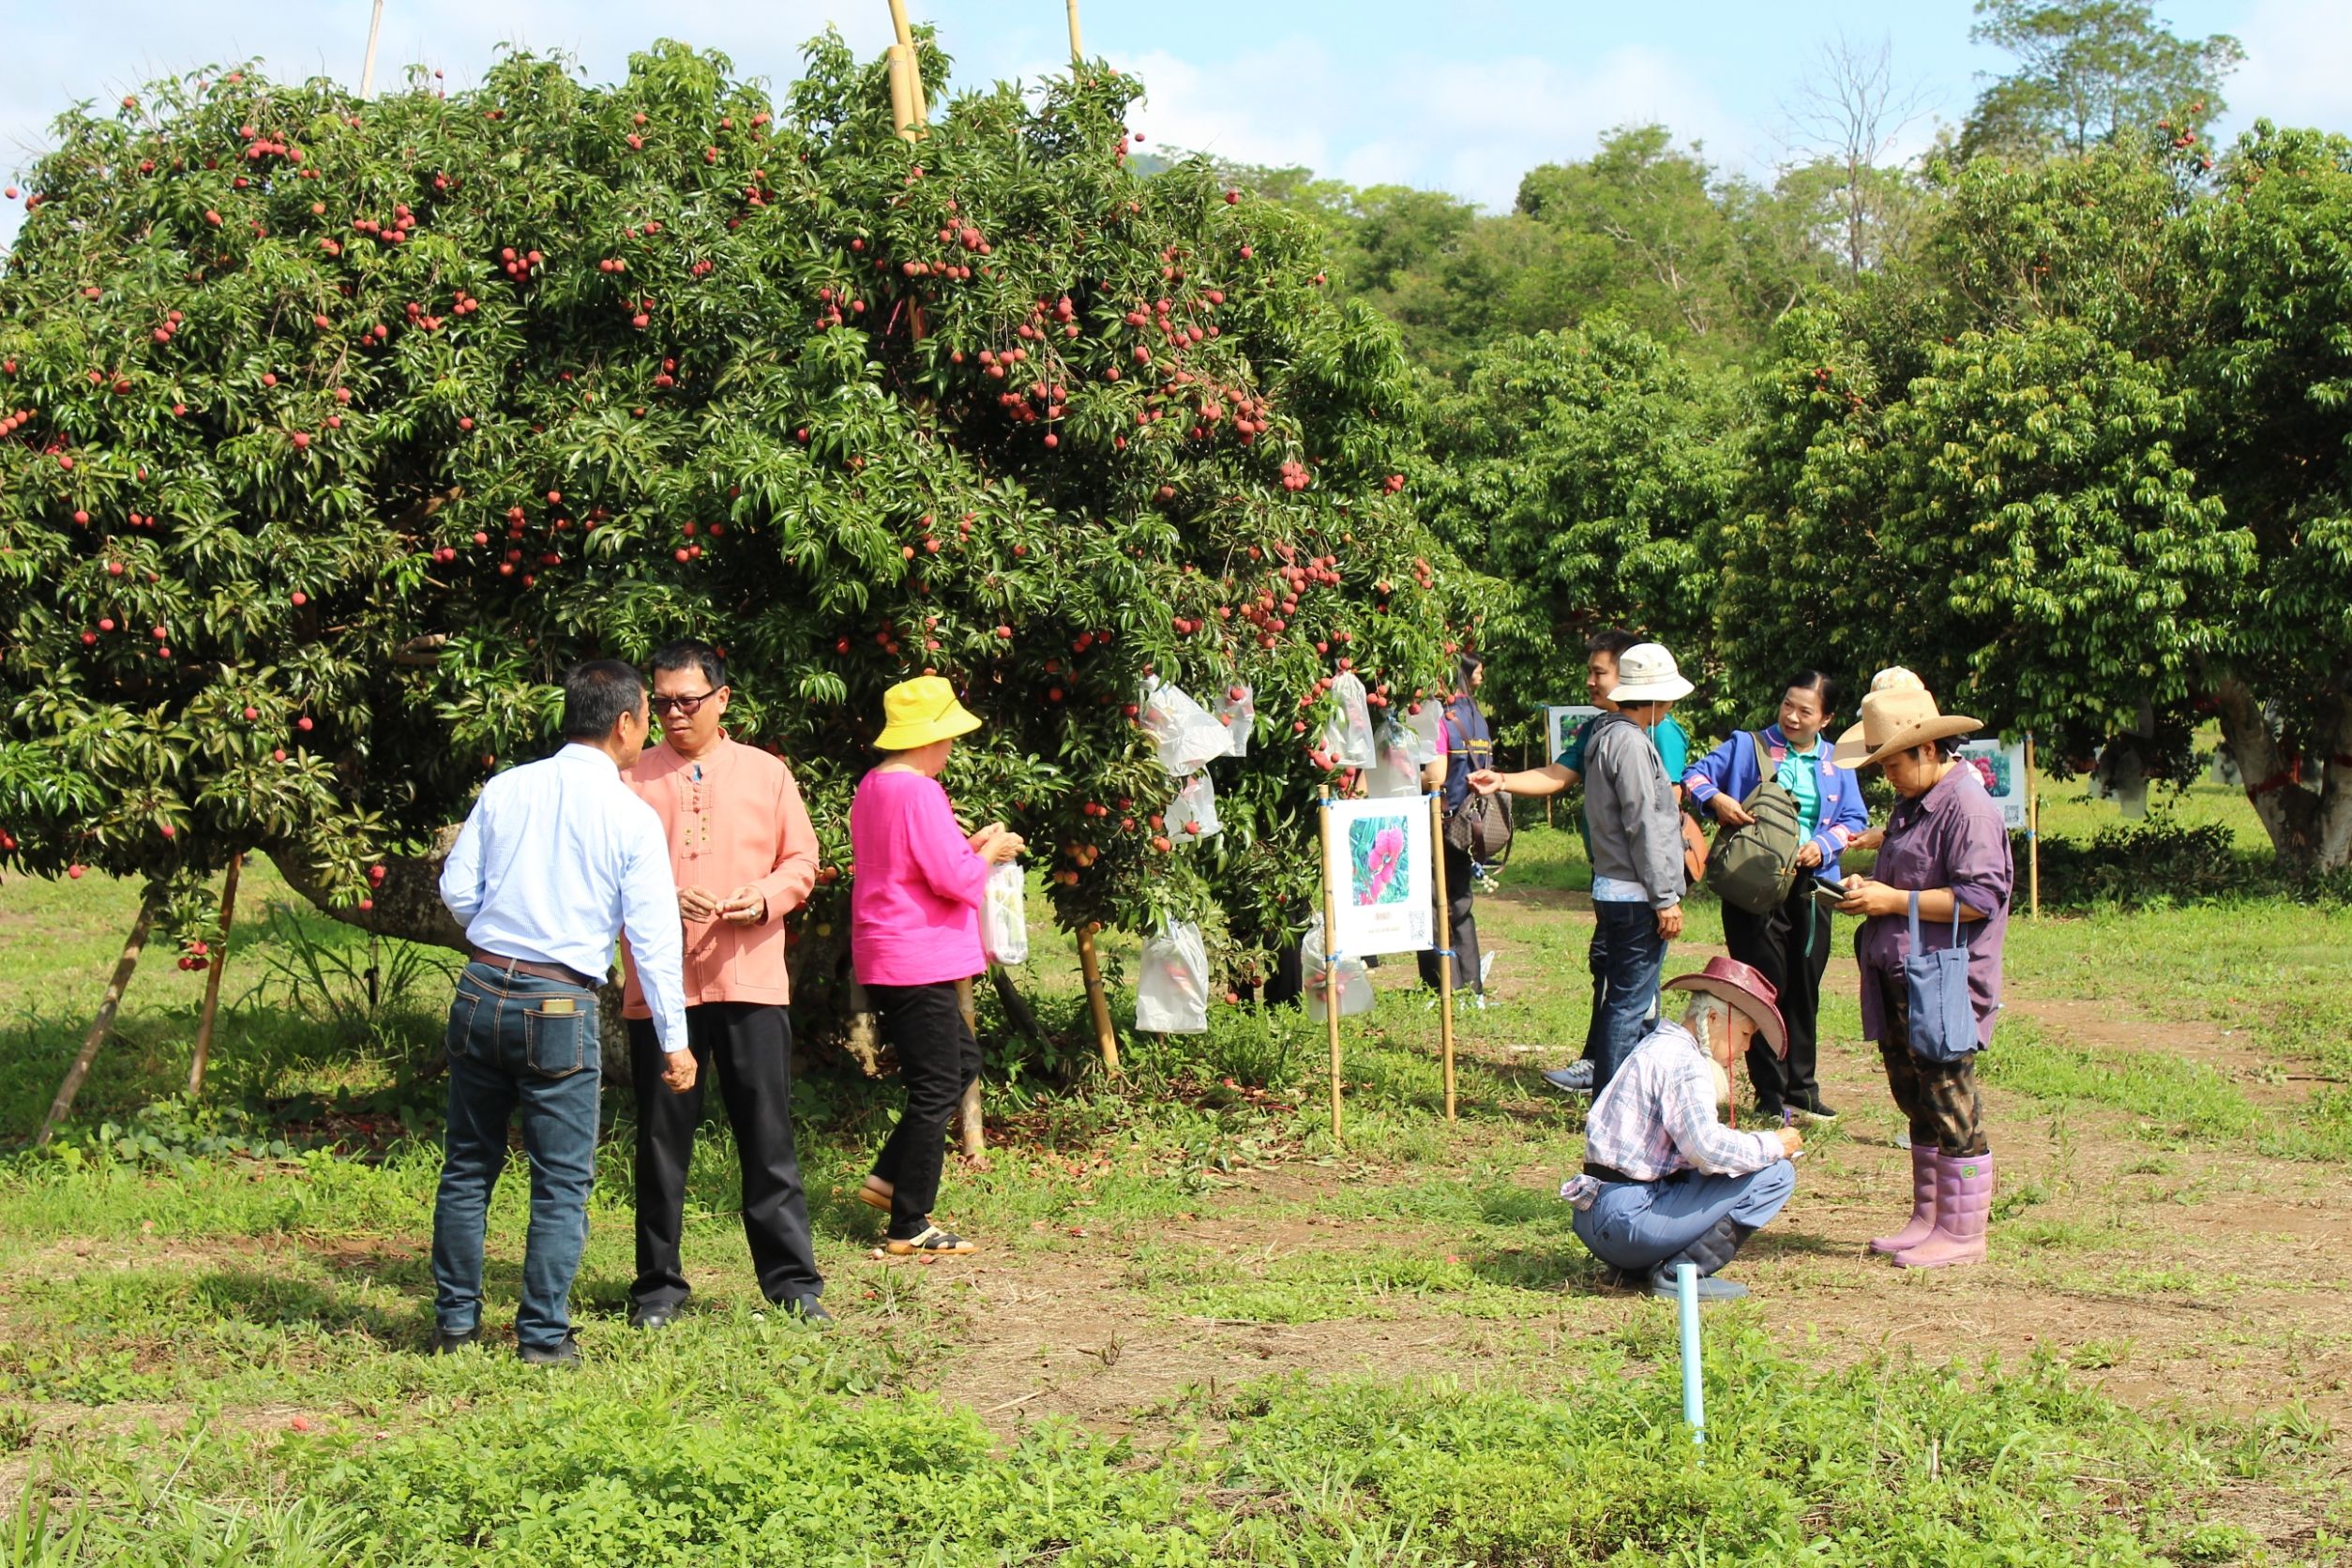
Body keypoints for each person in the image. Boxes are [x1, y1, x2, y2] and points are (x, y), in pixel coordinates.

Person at [431, 660, 693, 1364]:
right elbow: (653, 940)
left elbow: (457, 889)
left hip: (481, 987)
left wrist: (502, 933)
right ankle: (543, 1337)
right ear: (625, 723)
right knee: (560, 1182)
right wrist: (675, 1040)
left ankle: (455, 1327)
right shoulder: (630, 816)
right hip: (557, 1002)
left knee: (467, 1166)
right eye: (647, 718)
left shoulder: (506, 787)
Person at [619, 641, 826, 1330]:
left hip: (751, 980)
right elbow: (603, 872)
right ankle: (657, 1288)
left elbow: (802, 859)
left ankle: (792, 1284)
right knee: (660, 1142)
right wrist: (660, 897)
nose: (674, 714)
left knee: (767, 1137)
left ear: (722, 699)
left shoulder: (767, 773)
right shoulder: (630, 779)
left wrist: (763, 897)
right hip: (661, 988)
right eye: (662, 703)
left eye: (688, 700)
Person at [1833, 671, 2013, 1270]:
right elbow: (1910, 878)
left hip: (1943, 979)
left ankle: (1962, 1233)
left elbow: (1979, 897)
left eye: (1892, 764)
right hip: (1902, 972)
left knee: (1949, 1095)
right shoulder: (1913, 803)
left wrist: (1891, 900)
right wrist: (1870, 890)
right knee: (1916, 1098)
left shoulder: (1968, 808)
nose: (1886, 775)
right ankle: (1929, 1218)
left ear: (1929, 749)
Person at [1470, 628, 1691, 1092]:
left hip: (1619, 880)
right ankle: (1615, 1101)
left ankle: (1623, 1086)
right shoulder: (1622, 736)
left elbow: (1656, 810)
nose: (1591, 681)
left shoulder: (1634, 733)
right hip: (1633, 885)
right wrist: (1665, 895)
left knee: (1626, 992)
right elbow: (1645, 821)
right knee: (1627, 997)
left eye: (1599, 672)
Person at [850, 676, 1024, 1255]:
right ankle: (910, 1222)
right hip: (916, 954)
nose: (951, 749)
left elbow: (917, 862)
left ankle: (887, 1179)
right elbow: (952, 879)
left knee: (961, 1061)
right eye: (948, 738)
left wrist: (970, 847)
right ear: (930, 738)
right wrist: (990, 853)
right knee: (936, 1085)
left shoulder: (874, 786)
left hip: (890, 948)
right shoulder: (921, 792)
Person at [1681, 671, 1869, 1124]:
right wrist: (1719, 801)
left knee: (1804, 987)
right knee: (1762, 989)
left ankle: (1801, 1090)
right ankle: (1769, 1095)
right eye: (1788, 705)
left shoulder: (1837, 762)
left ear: (1827, 719)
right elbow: (1693, 777)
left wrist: (1822, 845)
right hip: (1753, 885)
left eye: (1806, 711)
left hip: (1811, 888)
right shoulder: (1748, 746)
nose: (1792, 717)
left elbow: (1854, 819)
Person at [1562, 957, 1804, 1303]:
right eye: (1745, 1034)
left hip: (1599, 1215)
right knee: (1776, 1174)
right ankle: (1681, 1275)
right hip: (1627, 1219)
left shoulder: (1657, 1045)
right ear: (1713, 1018)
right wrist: (1773, 1144)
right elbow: (1707, 1149)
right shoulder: (1685, 1061)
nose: (1746, 1048)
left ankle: (1636, 1267)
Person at [1418, 654, 1492, 1005]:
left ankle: (1444, 984)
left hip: (1442, 819)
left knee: (1434, 902)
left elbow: (1435, 774)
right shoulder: (1476, 716)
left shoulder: (1440, 716)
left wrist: (1398, 772)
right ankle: (1472, 984)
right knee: (1460, 901)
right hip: (1469, 821)